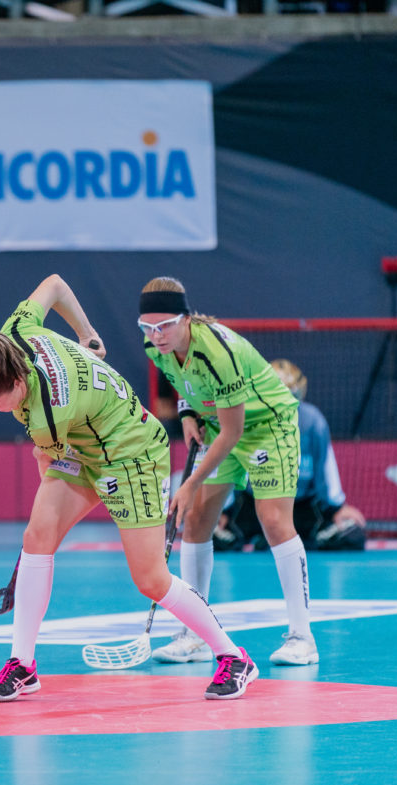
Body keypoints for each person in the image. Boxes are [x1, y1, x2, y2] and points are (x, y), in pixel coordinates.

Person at [0, 274, 258, 702]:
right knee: (37, 537)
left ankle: (234, 658)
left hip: (130, 452)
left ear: (17, 384)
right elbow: (56, 284)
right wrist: (87, 334)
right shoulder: (14, 333)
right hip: (86, 439)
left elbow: (46, 461)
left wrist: (47, 468)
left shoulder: (46, 409)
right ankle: (22, 666)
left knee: (151, 579)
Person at [138, 277, 318, 667]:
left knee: (273, 520)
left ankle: (302, 637)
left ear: (185, 319)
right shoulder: (157, 347)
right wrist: (187, 413)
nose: (157, 335)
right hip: (218, 423)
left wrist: (187, 484)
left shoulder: (220, 352)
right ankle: (195, 634)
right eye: (148, 328)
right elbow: (185, 382)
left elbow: (235, 432)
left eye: (165, 325)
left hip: (265, 425)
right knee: (199, 520)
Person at [213, 359, 367, 552]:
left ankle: (279, 540)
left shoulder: (313, 422)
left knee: (352, 536)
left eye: (288, 396)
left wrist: (336, 508)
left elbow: (326, 468)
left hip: (300, 508)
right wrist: (222, 510)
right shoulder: (246, 421)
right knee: (209, 534)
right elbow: (231, 468)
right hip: (255, 507)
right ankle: (267, 538)